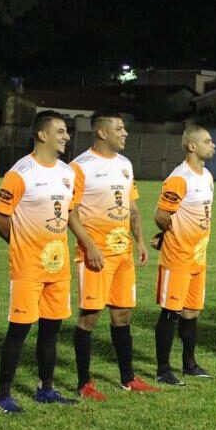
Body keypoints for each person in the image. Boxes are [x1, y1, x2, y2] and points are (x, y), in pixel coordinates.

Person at [68, 111, 157, 401]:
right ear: (102, 132)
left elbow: (131, 206)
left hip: (123, 254)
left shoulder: (125, 165)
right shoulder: (80, 167)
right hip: (96, 255)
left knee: (122, 315)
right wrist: (89, 246)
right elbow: (72, 212)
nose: (125, 133)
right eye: (119, 128)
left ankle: (128, 378)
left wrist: (140, 240)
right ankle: (84, 383)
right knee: (90, 317)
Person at [0, 111, 78, 412]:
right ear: (42, 135)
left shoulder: (69, 173)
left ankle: (46, 388)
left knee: (51, 330)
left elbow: (68, 214)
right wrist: (23, 245)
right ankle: (4, 395)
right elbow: (0, 218)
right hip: (28, 267)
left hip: (60, 266)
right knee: (19, 329)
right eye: (61, 131)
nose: (66, 136)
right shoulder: (21, 172)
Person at [152, 125, 216, 384]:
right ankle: (163, 369)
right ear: (192, 146)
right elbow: (161, 215)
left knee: (191, 312)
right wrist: (171, 234)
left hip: (198, 257)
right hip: (177, 257)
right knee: (171, 311)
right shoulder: (180, 177)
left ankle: (190, 364)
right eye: (207, 141)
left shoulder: (207, 176)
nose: (213, 145)